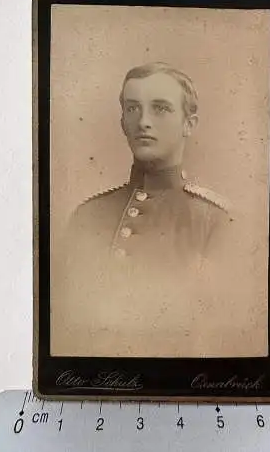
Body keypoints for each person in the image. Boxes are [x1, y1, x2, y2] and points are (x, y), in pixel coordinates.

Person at [51, 62, 236, 357]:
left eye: (160, 108)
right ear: (122, 121)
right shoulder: (88, 216)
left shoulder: (215, 221)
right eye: (133, 108)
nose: (143, 121)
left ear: (189, 124)